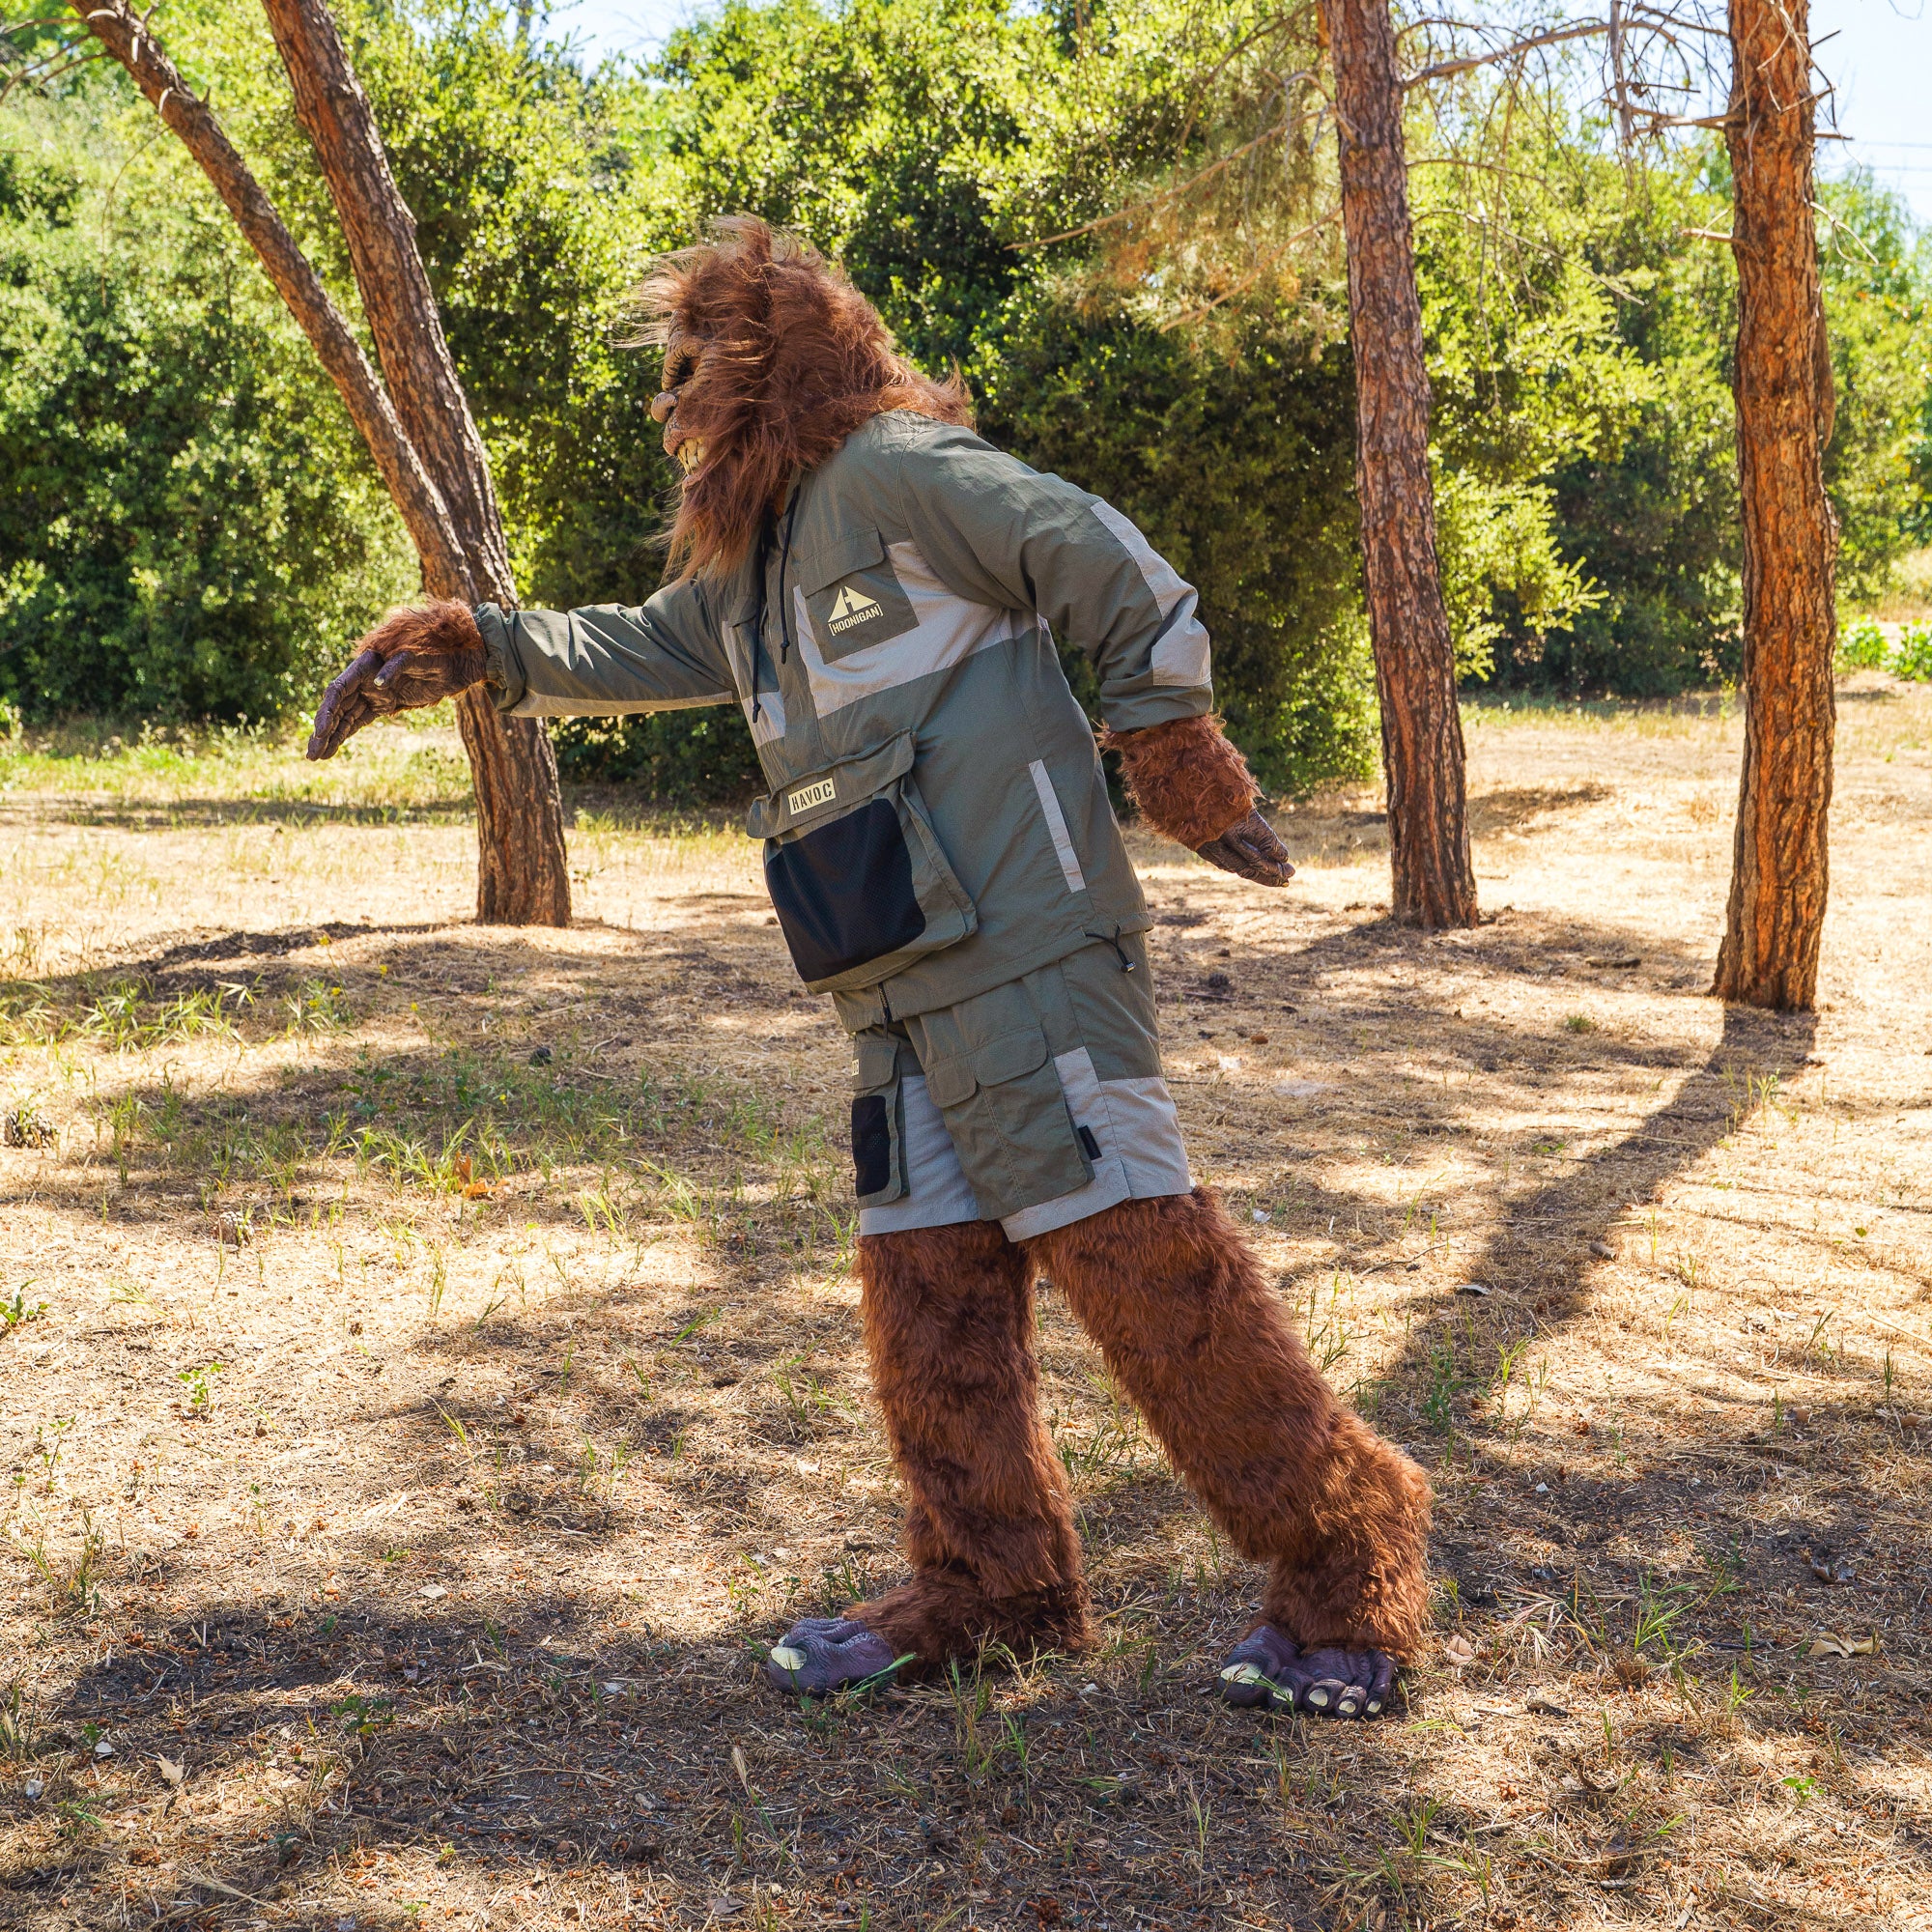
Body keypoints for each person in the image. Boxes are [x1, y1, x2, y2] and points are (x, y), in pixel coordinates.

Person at [308, 217, 1430, 1720]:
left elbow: (1106, 560)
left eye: (697, 365)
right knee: (929, 1291)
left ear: (775, 362)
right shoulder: (759, 562)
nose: (672, 400)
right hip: (893, 975)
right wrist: (477, 646)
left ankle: (1349, 1569)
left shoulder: (902, 476)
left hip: (1028, 950)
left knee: (1139, 1260)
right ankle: (993, 1589)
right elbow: (639, 645)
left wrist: (1176, 748)